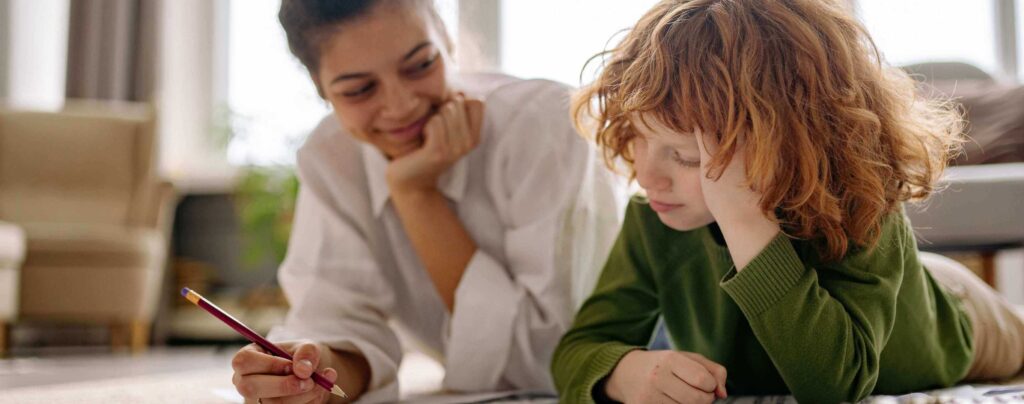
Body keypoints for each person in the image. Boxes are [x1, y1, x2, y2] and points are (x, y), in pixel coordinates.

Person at [551, 0, 1024, 403]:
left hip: (960, 318)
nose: (647, 176)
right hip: (898, 283)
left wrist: (744, 221)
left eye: (684, 156)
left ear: (786, 146)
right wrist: (624, 373)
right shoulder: (654, 217)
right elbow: (578, 349)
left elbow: (835, 387)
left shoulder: (866, 206)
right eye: (637, 138)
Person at [228, 1, 621, 403]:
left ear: (447, 42)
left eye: (420, 65)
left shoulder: (543, 127)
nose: (401, 106)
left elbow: (549, 360)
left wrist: (415, 194)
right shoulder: (331, 157)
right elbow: (339, 321)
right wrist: (311, 375)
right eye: (359, 89)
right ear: (319, 88)